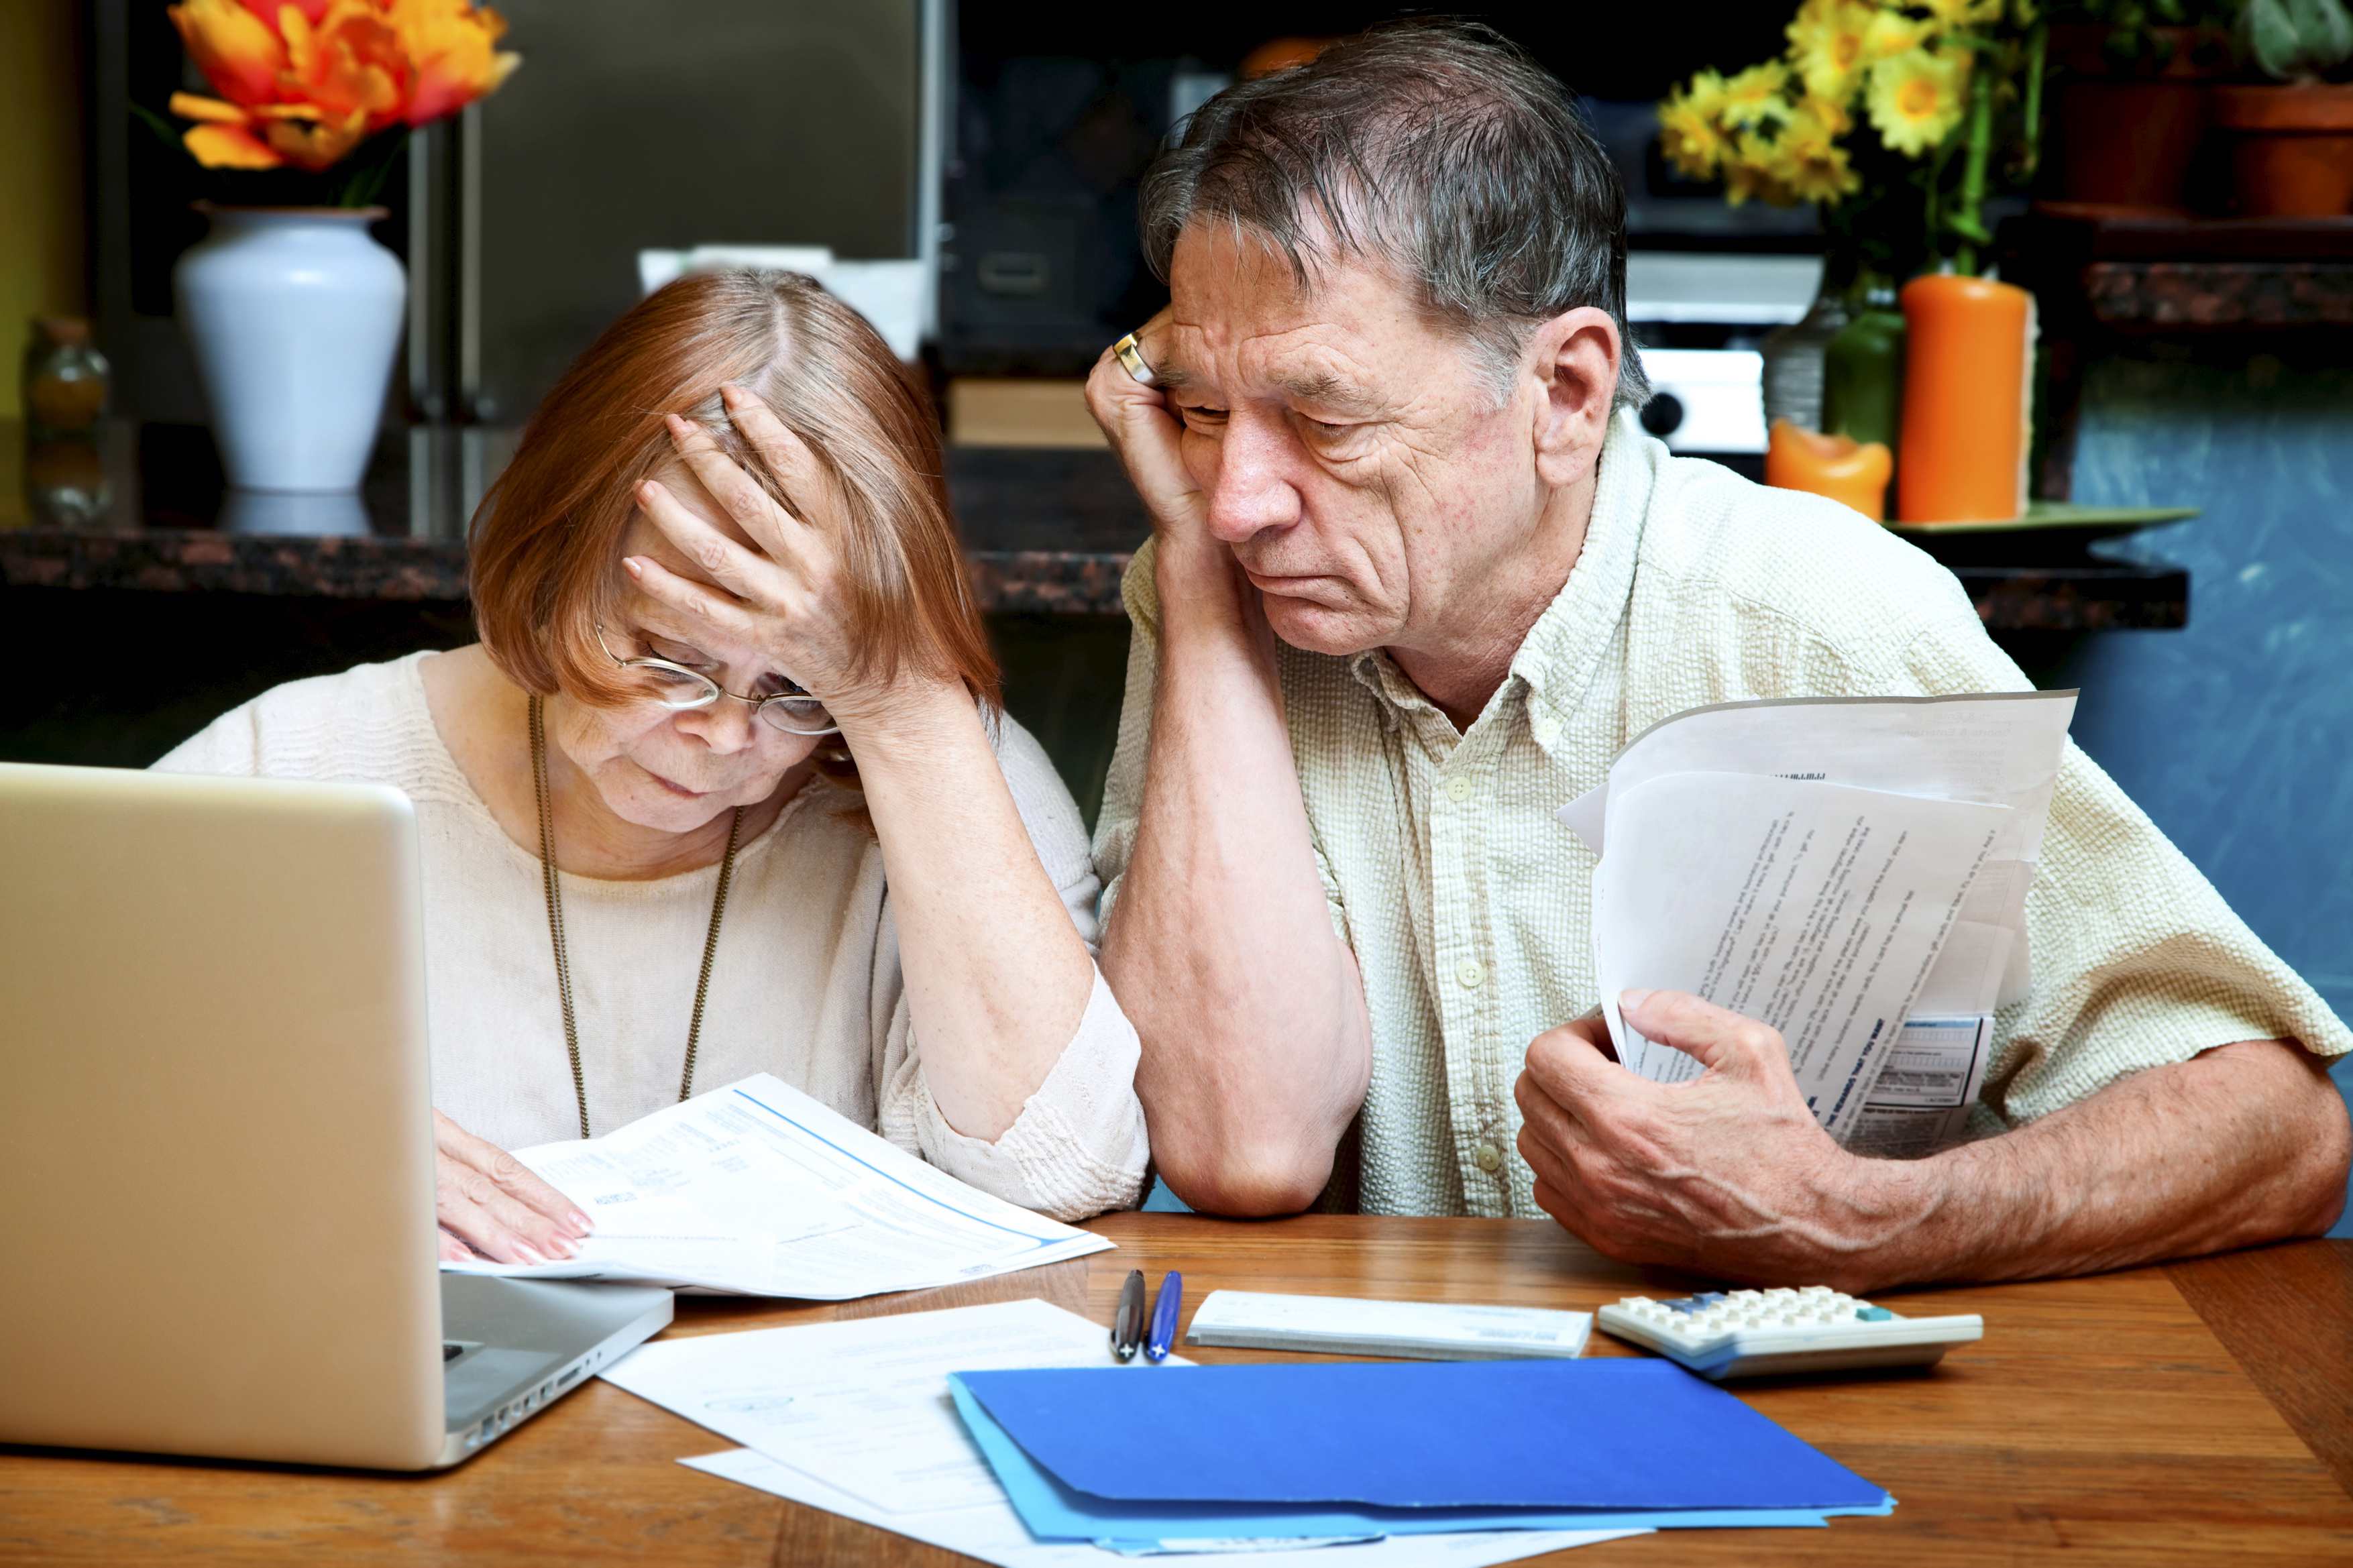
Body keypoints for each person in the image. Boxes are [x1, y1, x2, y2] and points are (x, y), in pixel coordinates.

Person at [1086, 19, 2350, 1288]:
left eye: (1322, 418)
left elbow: (2279, 1131)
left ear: (1567, 397)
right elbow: (1239, 1144)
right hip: (1407, 1429)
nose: (1241, 498)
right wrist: (1195, 587)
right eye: (1201, 411)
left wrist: (1860, 1217)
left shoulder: (1812, 615)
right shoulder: (1217, 577)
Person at [158, 270, 1148, 1257]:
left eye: (796, 688)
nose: (724, 736)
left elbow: (1065, 1171)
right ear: (550, 567)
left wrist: (900, 705)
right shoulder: (294, 769)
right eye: (670, 659)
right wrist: (285, 1133)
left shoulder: (931, 761)